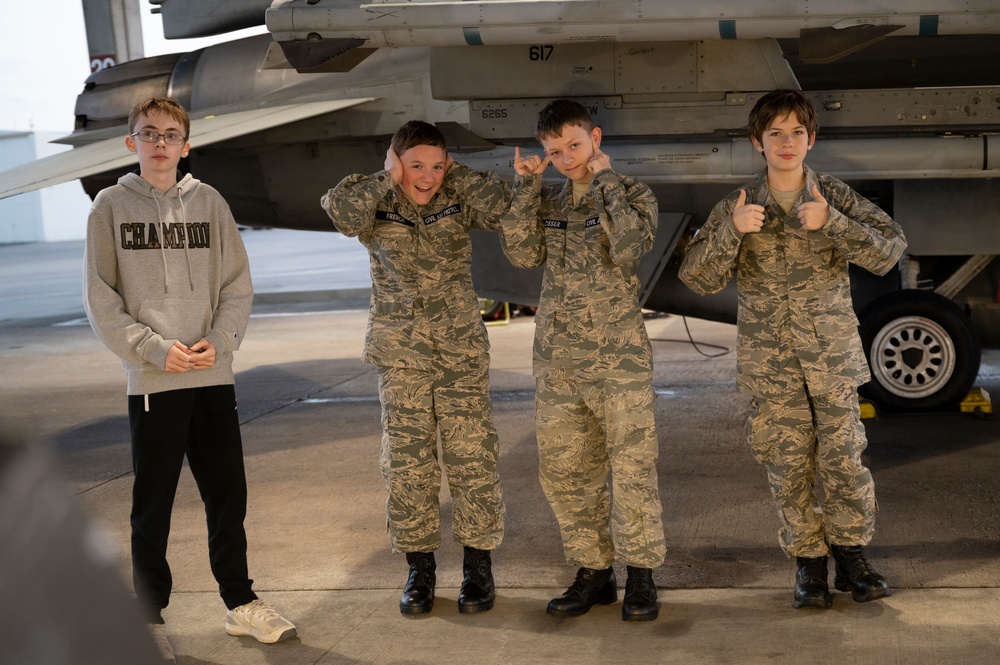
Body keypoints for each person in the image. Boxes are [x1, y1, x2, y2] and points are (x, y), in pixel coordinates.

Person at [84, 96, 297, 661]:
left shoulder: (210, 202)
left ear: (185, 144)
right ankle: (146, 615)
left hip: (212, 374)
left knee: (228, 496)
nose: (160, 143)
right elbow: (100, 301)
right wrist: (153, 349)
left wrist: (221, 342)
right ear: (131, 143)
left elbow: (237, 286)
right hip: (155, 382)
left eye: (170, 135)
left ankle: (241, 604)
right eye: (148, 134)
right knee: (152, 505)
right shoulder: (109, 207)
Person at [679, 89, 907, 609]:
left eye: (796, 133)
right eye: (775, 133)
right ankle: (808, 565)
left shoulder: (834, 198)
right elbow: (697, 277)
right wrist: (730, 235)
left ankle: (852, 557)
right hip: (772, 362)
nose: (787, 142)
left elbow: (890, 249)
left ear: (811, 139)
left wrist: (835, 224)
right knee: (787, 462)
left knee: (845, 458)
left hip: (830, 358)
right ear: (757, 142)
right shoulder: (739, 205)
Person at [321, 120, 508, 616]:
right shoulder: (373, 201)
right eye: (416, 165)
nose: (426, 177)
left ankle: (478, 568)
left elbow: (503, 208)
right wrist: (388, 177)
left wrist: (454, 173)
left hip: (460, 354)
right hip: (402, 356)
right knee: (408, 467)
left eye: (436, 166)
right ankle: (419, 571)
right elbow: (339, 214)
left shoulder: (456, 193)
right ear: (394, 160)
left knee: (473, 461)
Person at [501, 99, 666, 621]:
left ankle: (641, 576)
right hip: (559, 362)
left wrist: (605, 182)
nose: (567, 157)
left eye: (574, 145)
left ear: (595, 138)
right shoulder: (548, 201)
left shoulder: (632, 194)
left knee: (633, 469)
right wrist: (527, 187)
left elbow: (629, 247)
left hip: (618, 360)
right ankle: (594, 574)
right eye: (555, 151)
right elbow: (522, 254)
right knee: (567, 471)